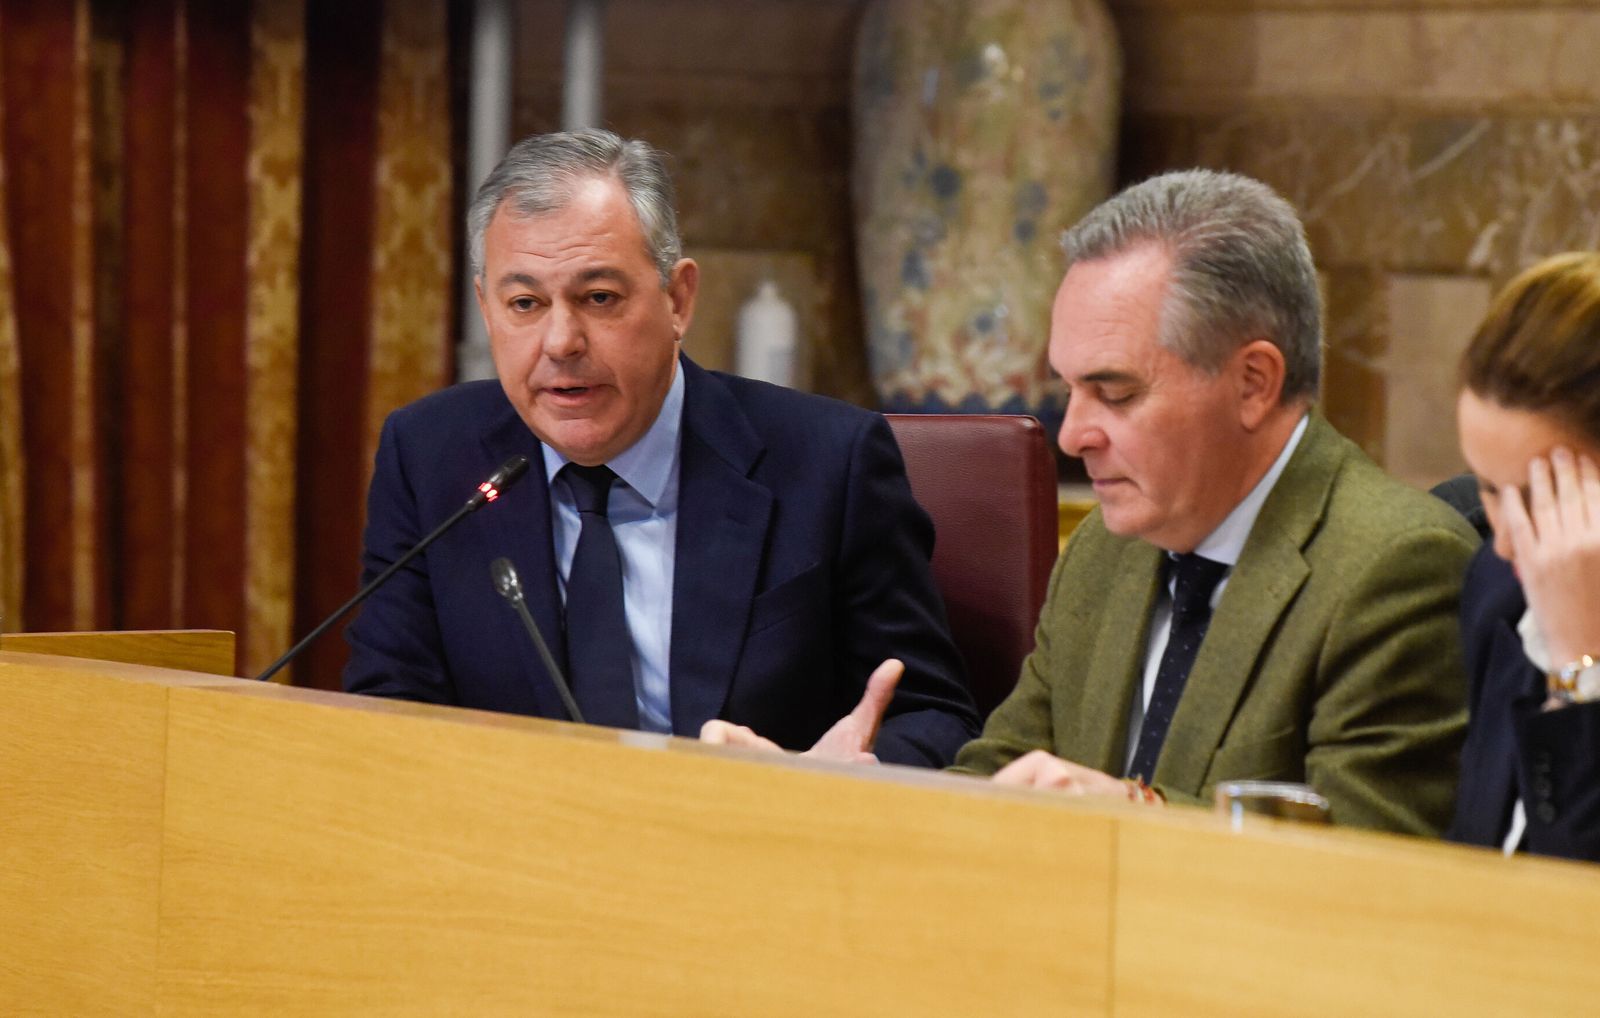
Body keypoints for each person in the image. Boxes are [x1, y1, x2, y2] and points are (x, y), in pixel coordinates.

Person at [709, 169, 1477, 835]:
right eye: (1069, 390)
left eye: (1114, 393)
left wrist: (1133, 810)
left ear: (1253, 382)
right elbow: (1000, 777)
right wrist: (853, 800)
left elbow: (1372, 857)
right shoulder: (1111, 551)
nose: (1072, 435)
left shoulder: (1397, 567)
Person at [343, 129, 979, 768]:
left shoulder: (829, 462)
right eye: (525, 303)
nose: (560, 341)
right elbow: (389, 706)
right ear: (487, 309)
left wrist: (828, 780)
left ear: (678, 300)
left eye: (599, 298)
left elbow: (935, 715)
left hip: (749, 846)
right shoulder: (429, 456)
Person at [1449, 252, 1600, 861]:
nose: (1506, 540)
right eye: (1488, 488)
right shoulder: (1500, 589)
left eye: (1538, 498)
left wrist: (1581, 671)